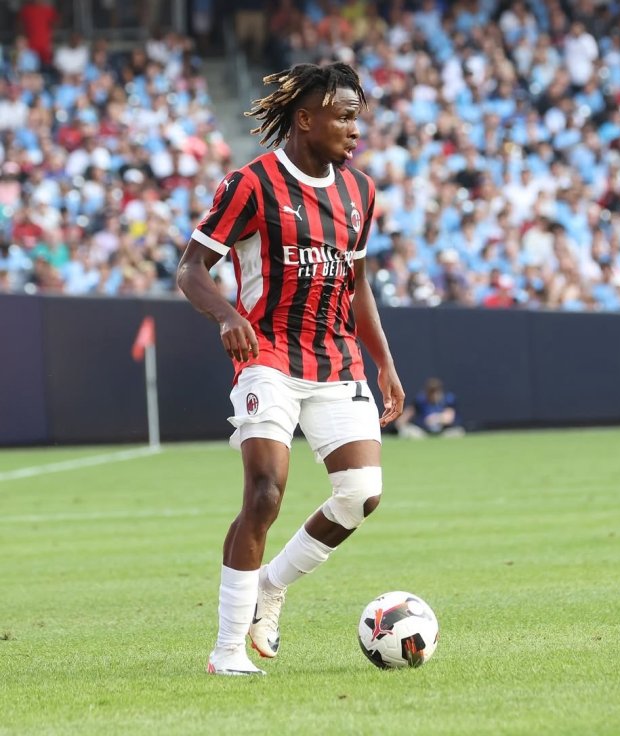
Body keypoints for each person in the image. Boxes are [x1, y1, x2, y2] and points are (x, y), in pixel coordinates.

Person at [176, 61, 405, 676]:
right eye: (346, 116)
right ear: (307, 119)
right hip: (268, 355)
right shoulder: (250, 185)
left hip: (335, 358)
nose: (357, 129)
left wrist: (383, 361)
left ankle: (271, 588)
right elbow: (190, 270)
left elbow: (356, 285)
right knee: (264, 493)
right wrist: (226, 314)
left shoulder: (361, 191)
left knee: (361, 494)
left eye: (359, 115)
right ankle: (226, 651)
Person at [396, 377, 465, 438]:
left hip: (444, 433)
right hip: (424, 434)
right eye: (431, 392)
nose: (434, 395)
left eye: (436, 391)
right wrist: (401, 425)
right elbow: (404, 417)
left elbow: (449, 418)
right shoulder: (420, 400)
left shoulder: (448, 399)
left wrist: (436, 418)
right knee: (407, 431)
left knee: (458, 432)